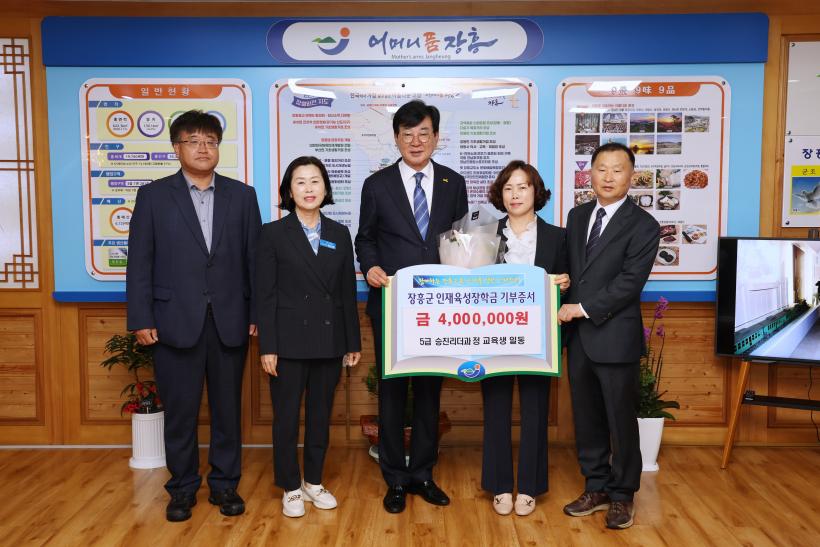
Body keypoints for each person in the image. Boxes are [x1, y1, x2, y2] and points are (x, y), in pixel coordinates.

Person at [126, 110, 262, 522]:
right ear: (177, 147)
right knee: (181, 412)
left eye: (210, 141)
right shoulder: (153, 196)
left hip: (229, 320)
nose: (203, 148)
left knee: (227, 411)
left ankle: (225, 485)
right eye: (193, 140)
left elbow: (254, 260)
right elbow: (140, 262)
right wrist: (141, 318)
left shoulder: (243, 196)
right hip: (173, 322)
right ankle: (182, 488)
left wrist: (256, 312)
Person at [355, 99, 468, 514]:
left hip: (438, 307)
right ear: (396, 138)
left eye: (424, 133)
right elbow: (365, 238)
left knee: (429, 391)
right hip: (392, 303)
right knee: (391, 391)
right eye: (408, 134)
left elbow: (461, 238)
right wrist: (371, 266)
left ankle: (422, 473)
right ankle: (395, 479)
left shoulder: (453, 183)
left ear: (436, 137)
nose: (416, 141)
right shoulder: (377, 184)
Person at [557, 142, 660, 530]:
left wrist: (581, 308)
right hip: (579, 338)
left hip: (615, 337)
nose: (608, 176)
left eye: (618, 169)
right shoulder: (578, 215)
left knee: (621, 420)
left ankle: (622, 495)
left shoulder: (644, 225)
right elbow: (573, 270)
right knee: (586, 418)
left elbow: (630, 283)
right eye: (601, 168)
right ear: (590, 173)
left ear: (631, 176)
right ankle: (595, 486)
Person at [255, 156, 361, 518]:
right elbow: (265, 294)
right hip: (287, 343)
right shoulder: (272, 233)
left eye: (315, 181)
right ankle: (290, 486)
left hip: (329, 341)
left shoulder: (339, 233)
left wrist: (352, 341)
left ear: (326, 188)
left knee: (320, 416)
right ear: (289, 190)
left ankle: (313, 482)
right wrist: (268, 346)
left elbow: (346, 291)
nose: (309, 188)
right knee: (286, 419)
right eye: (300, 182)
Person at [481, 160, 570, 516]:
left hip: (538, 338)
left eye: (523, 187)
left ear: (536, 192)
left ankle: (530, 487)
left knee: (535, 410)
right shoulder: (484, 234)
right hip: (493, 336)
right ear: (500, 195)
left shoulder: (558, 237)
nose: (515, 194)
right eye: (508, 188)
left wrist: (566, 282)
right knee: (496, 409)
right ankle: (500, 485)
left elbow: (570, 279)